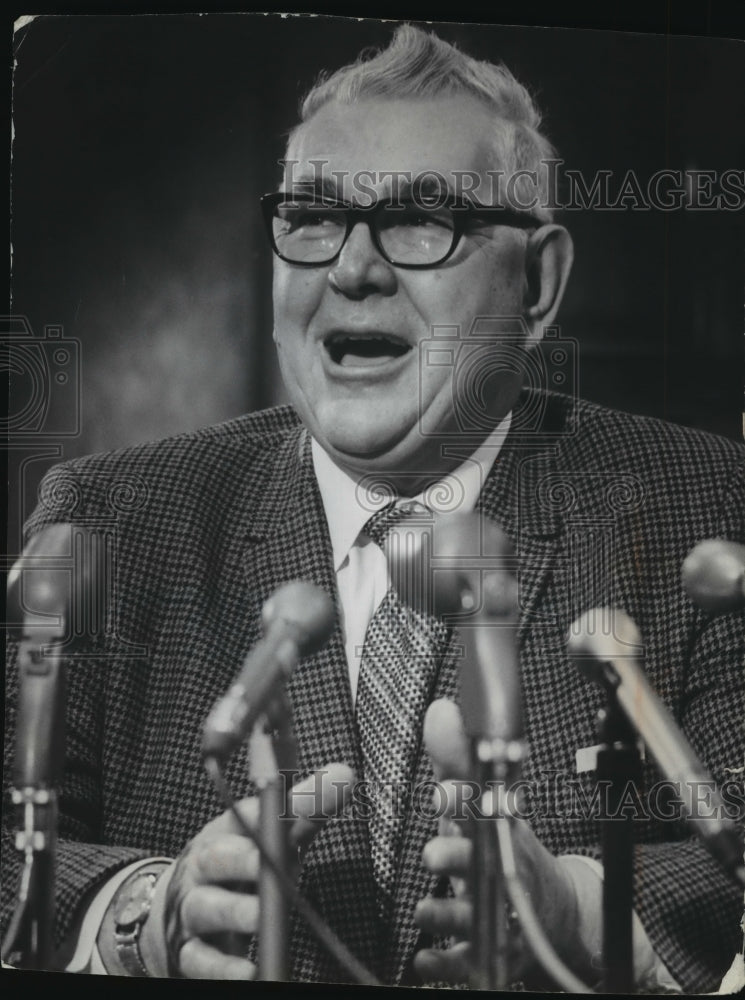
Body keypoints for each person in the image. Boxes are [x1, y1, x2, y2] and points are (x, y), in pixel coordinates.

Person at [3, 23, 744, 993]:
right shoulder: (110, 517)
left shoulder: (707, 507)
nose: (352, 268)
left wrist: (579, 910)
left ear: (536, 284)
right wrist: (142, 910)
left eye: (420, 219)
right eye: (313, 216)